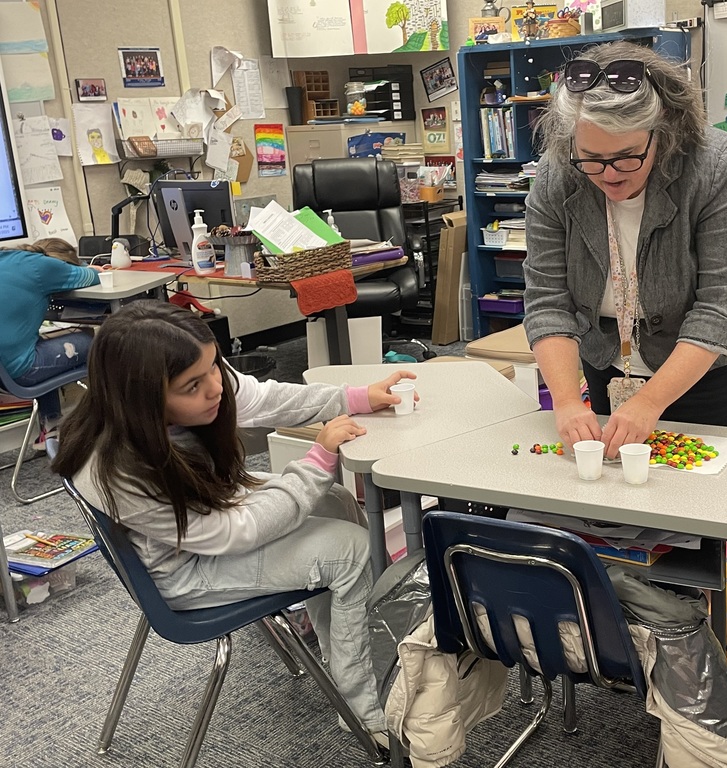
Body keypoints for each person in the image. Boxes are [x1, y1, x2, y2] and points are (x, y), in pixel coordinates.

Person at [52, 301, 418, 742]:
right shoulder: (121, 468)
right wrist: (317, 460)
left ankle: (343, 651)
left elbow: (260, 398)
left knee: (334, 500)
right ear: (143, 398)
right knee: (352, 552)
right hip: (186, 568)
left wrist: (352, 397)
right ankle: (367, 712)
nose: (215, 389)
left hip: (205, 513)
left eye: (214, 368)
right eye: (193, 385)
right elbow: (233, 532)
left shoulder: (183, 380)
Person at [523, 41, 727, 458]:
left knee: (712, 474)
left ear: (663, 133)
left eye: (626, 157)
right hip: (606, 355)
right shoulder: (556, 175)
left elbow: (722, 305)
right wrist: (566, 402)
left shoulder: (715, 167)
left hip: (703, 363)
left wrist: (650, 402)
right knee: (615, 473)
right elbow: (548, 300)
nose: (609, 175)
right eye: (591, 158)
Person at [0, 237, 101, 440]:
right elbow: (92, 276)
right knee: (99, 342)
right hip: (20, 371)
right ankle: (116, 422)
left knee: (42, 345)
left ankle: (51, 427)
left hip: (3, 372)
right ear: (62, 263)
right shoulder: (42, 266)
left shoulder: (7, 258)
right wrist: (87, 267)